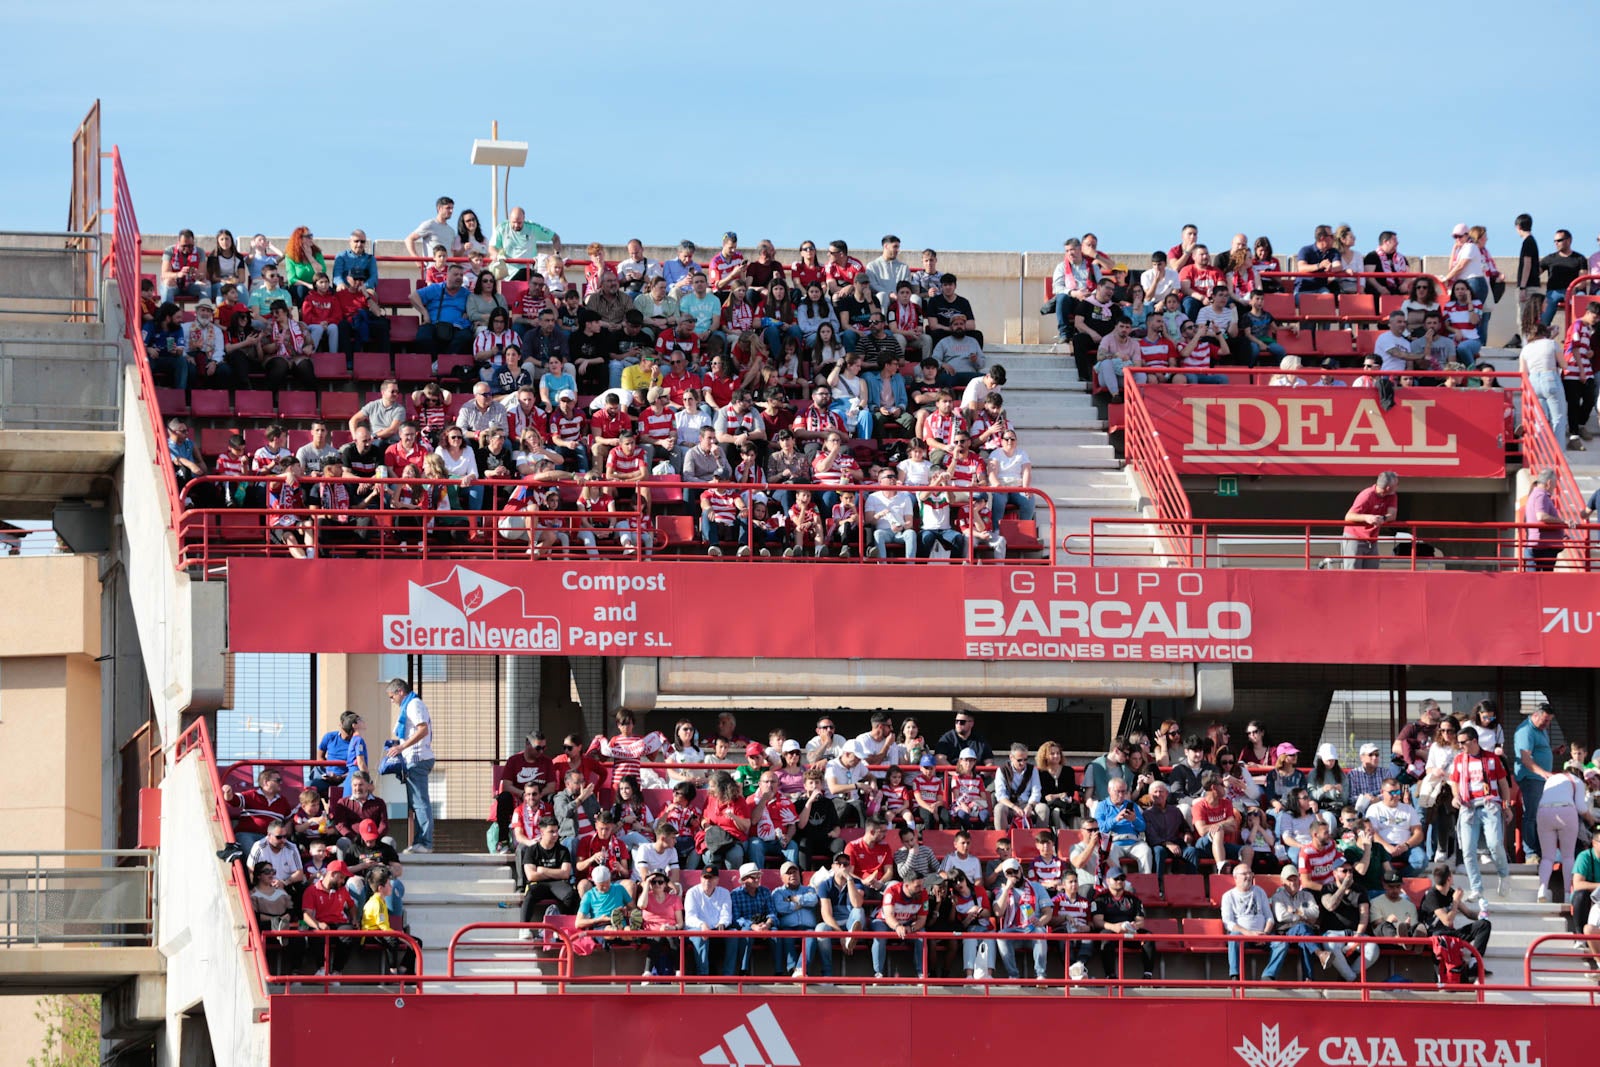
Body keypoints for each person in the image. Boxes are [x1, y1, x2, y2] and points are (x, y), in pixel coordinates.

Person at [1219, 864, 1289, 981]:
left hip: (1262, 935)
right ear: (1235, 877)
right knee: (1233, 936)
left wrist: (1265, 934)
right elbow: (1228, 923)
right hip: (1242, 936)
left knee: (1282, 943)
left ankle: (1268, 975)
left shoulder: (1259, 891)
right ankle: (1235, 976)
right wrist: (1248, 933)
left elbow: (1269, 917)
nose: (1249, 876)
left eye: (1250, 873)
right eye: (1244, 874)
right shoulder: (1228, 896)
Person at [1418, 864, 1492, 975]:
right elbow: (1447, 921)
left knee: (1484, 925)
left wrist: (1481, 915)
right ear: (1449, 878)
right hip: (1436, 936)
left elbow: (1468, 913)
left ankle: (1474, 963)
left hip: (1450, 934)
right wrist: (1455, 902)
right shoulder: (1431, 895)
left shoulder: (1450, 892)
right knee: (1442, 934)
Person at [990, 858, 1050, 981]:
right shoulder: (1001, 890)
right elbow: (998, 912)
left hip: (1033, 929)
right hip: (1013, 931)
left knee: (1040, 932)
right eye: (1009, 873)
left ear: (1021, 870)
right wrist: (1006, 889)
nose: (1013, 876)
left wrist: (1041, 922)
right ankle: (1013, 976)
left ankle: (1040, 975)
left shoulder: (1037, 887)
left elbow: (1048, 912)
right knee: (1001, 936)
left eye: (1015, 872)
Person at [1318, 863, 1379, 982]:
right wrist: (1343, 887)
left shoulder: (1360, 890)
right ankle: (1352, 978)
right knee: (1330, 945)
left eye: (1351, 871)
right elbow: (1330, 906)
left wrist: (1358, 936)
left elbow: (1364, 915)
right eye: (1344, 871)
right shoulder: (1327, 888)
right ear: (1334, 873)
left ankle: (1347, 977)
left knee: (1373, 948)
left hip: (1356, 933)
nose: (1349, 874)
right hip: (1333, 933)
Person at [1091, 868, 1154, 980]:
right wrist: (1114, 927)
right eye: (1116, 879)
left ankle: (1148, 975)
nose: (1119, 881)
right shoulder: (1100, 898)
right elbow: (1097, 921)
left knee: (1148, 937)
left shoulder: (1133, 899)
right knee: (1105, 937)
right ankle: (1110, 976)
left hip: (1129, 932)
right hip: (1110, 931)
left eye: (1122, 878)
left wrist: (1134, 925)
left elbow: (1140, 921)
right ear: (1108, 880)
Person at [1515, 703, 1557, 863]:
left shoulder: (1540, 729)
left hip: (1540, 779)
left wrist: (1551, 752)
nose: (1547, 724)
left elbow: (1537, 750)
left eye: (1550, 721)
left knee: (1541, 816)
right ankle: (1530, 853)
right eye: (1545, 720)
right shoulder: (1525, 731)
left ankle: (1540, 850)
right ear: (1535, 715)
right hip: (1531, 779)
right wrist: (1543, 773)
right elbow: (1526, 758)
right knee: (1531, 816)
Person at [1268, 865, 1323, 981]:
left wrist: (1295, 911)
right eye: (1289, 880)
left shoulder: (1307, 895)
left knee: (1305, 940)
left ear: (1299, 880)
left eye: (1295, 879)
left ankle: (1308, 980)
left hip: (1304, 933)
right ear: (1283, 882)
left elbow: (1315, 913)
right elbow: (1281, 916)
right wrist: (1303, 916)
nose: (1293, 883)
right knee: (1303, 928)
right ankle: (1320, 954)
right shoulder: (1277, 897)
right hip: (1286, 933)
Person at [1367, 778, 1426, 877]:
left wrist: (1405, 846)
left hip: (1406, 847)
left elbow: (1418, 833)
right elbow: (1372, 832)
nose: (1395, 795)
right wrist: (1387, 846)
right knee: (1378, 862)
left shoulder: (1408, 809)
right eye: (1391, 792)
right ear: (1382, 792)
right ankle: (1394, 880)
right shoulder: (1374, 809)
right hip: (1383, 847)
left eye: (1397, 791)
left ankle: (1398, 879)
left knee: (1421, 861)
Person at [1093, 777, 1153, 874]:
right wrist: (1115, 819)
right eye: (1118, 792)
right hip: (1114, 842)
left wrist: (1134, 820)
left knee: (1146, 851)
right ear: (1109, 790)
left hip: (1134, 842)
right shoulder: (1102, 806)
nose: (1121, 795)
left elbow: (1142, 827)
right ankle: (1118, 883)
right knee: (1109, 852)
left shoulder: (1131, 805)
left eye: (1123, 792)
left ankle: (1145, 884)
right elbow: (1100, 828)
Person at [1341, 471, 1398, 570]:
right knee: (1353, 573)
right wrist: (1367, 518)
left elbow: (1392, 515)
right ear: (1388, 488)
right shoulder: (1367, 495)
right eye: (1396, 484)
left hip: (1372, 540)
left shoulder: (1392, 496)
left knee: (1372, 574)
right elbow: (1349, 516)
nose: (1397, 487)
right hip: (1355, 538)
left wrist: (1383, 518)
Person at [684, 866, 735, 976]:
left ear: (717, 880)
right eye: (705, 877)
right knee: (700, 934)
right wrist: (702, 924)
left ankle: (728, 975)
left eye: (711, 878)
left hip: (717, 929)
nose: (708, 880)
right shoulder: (692, 892)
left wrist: (723, 923)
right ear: (700, 878)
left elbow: (726, 914)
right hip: (697, 929)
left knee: (734, 935)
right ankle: (703, 977)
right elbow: (690, 917)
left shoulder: (724, 892)